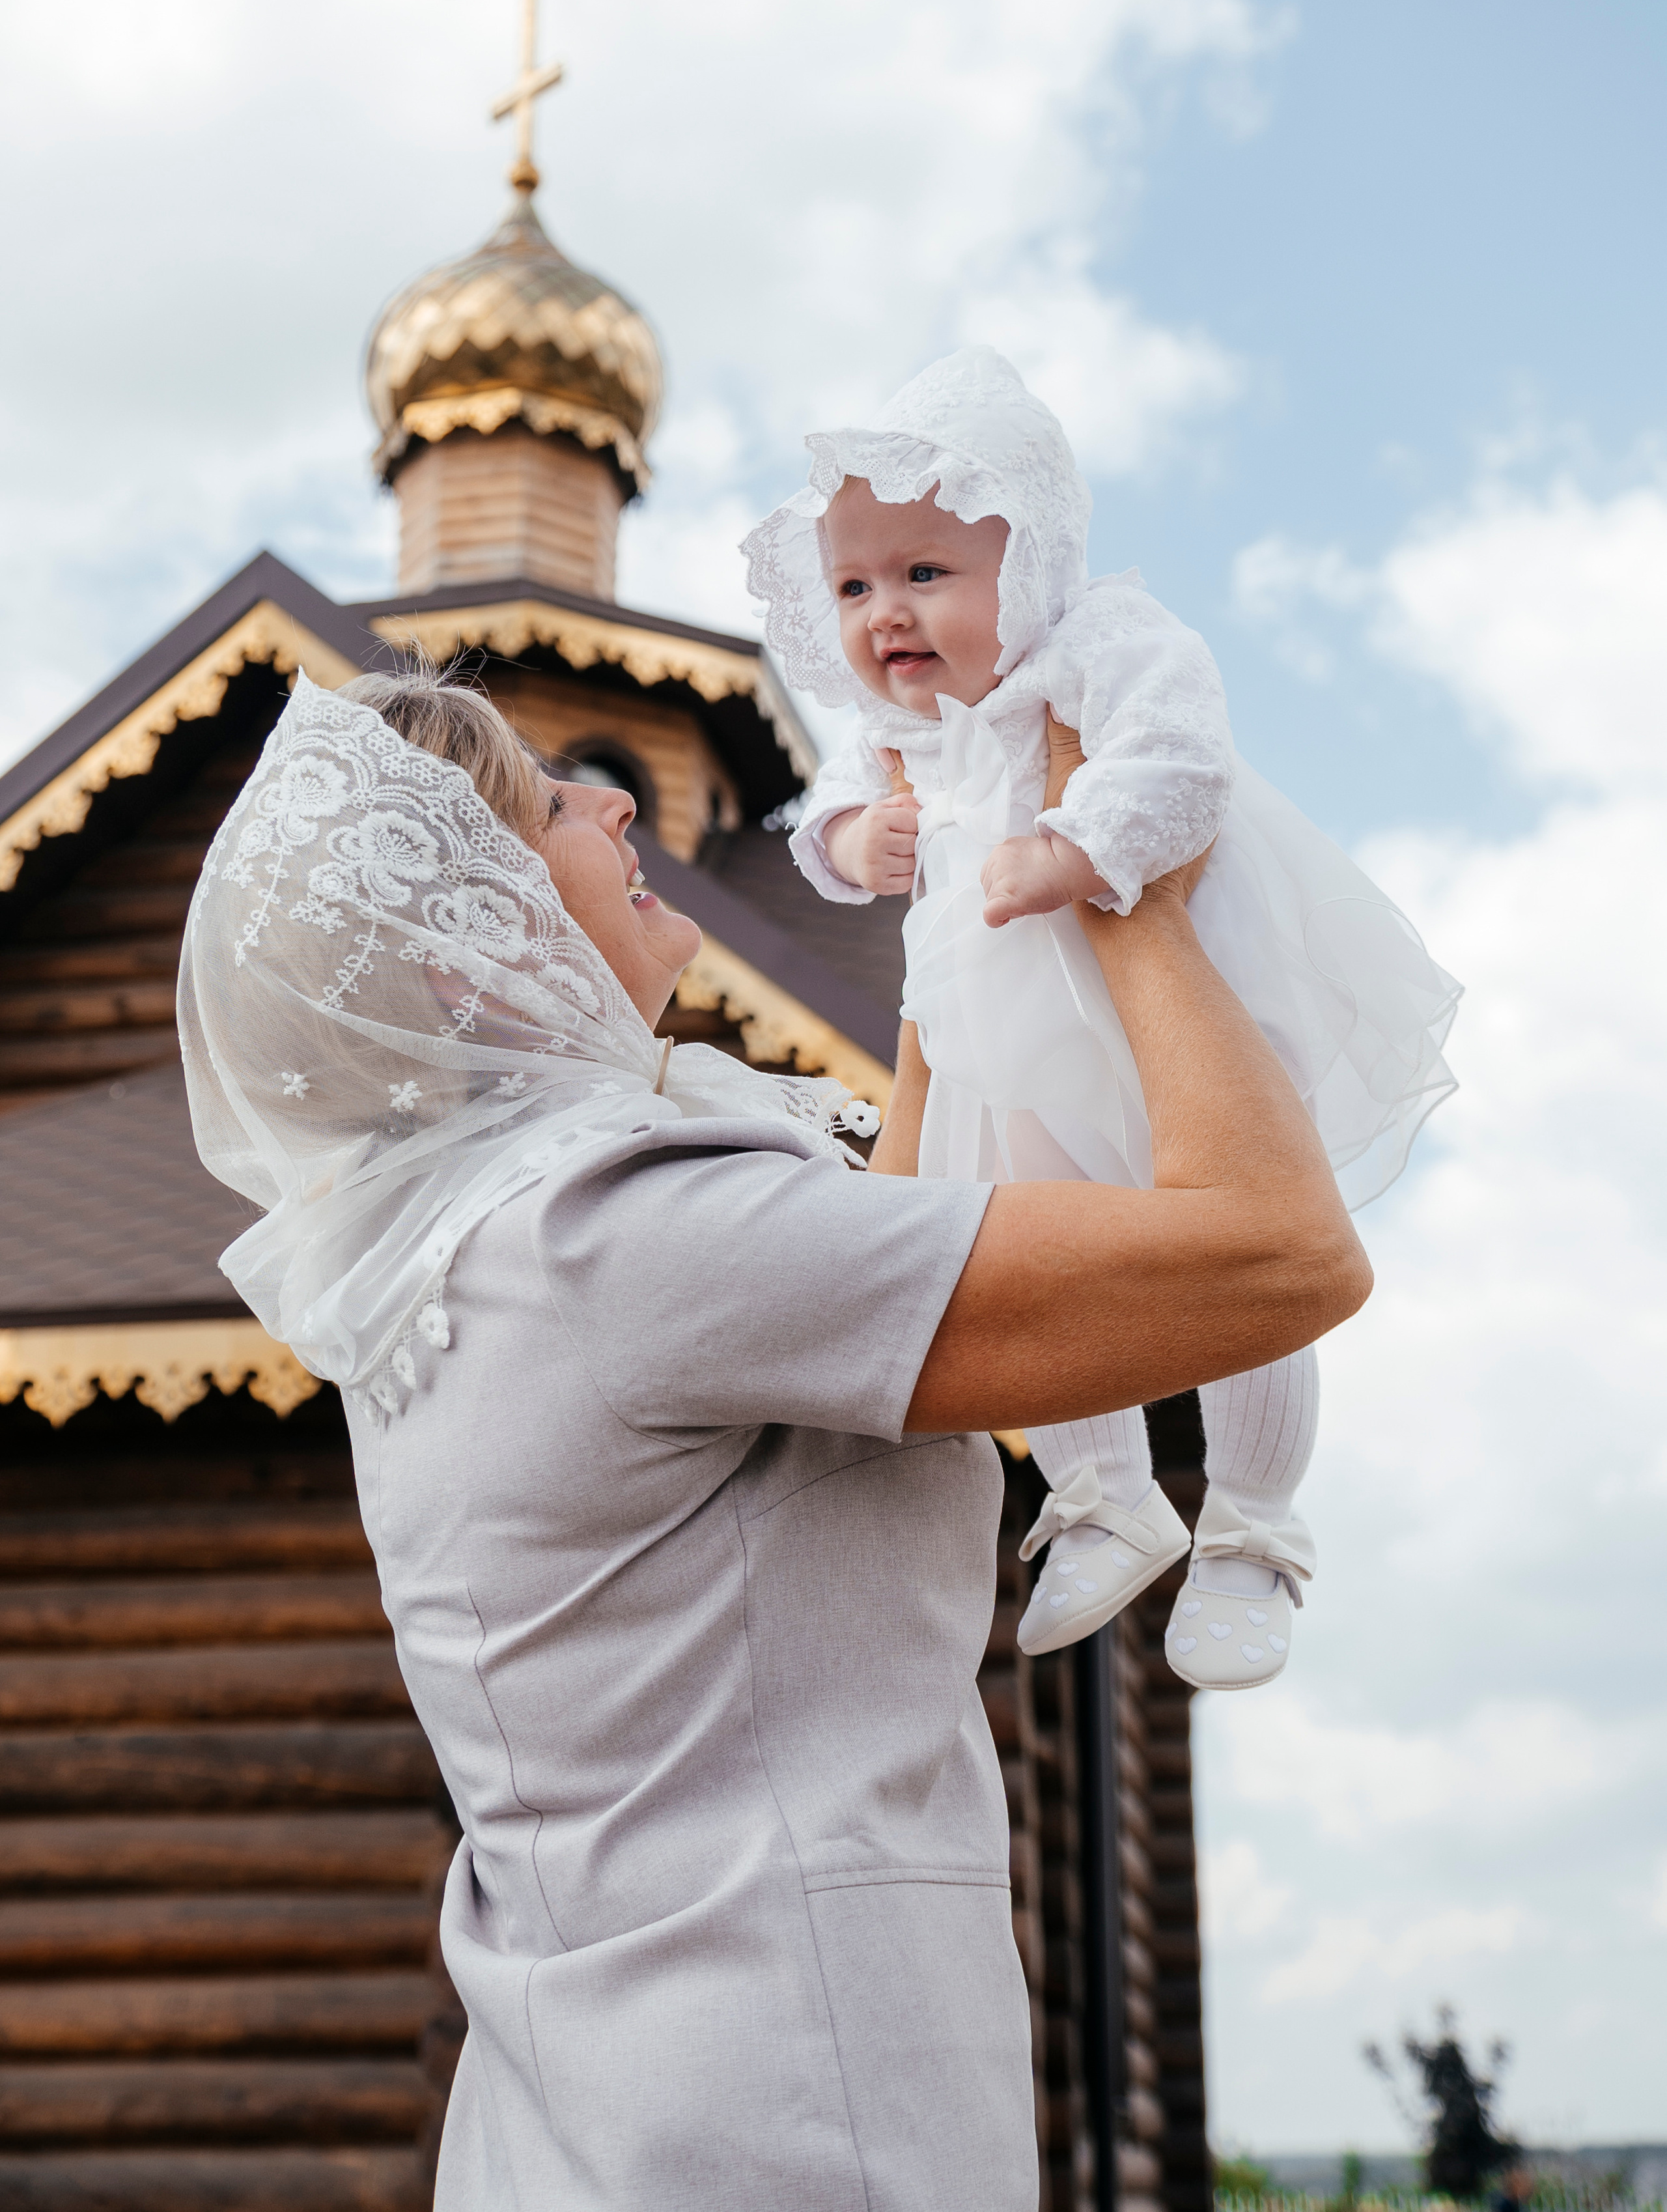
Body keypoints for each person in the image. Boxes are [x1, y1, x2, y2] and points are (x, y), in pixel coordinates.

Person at [178, 661, 1369, 2211]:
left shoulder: (488, 1245)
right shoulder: (629, 1240)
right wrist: (1126, 877)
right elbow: (1282, 1254)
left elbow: (897, 1236)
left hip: (597, 2104)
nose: (611, 799)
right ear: (471, 953)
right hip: (791, 2107)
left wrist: (957, 927)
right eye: (548, 803)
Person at [743, 345, 1459, 1686]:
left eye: (923, 574)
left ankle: (1249, 1522)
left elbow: (1182, 764)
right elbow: (817, 825)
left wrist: (1076, 849)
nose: (884, 614)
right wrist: (859, 841)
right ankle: (1102, 1492)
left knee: (1217, 1251)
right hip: (996, 1031)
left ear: (1032, 563)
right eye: (852, 586)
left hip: (1169, 1014)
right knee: (1041, 1243)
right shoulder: (893, 725)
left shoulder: (1101, 644)